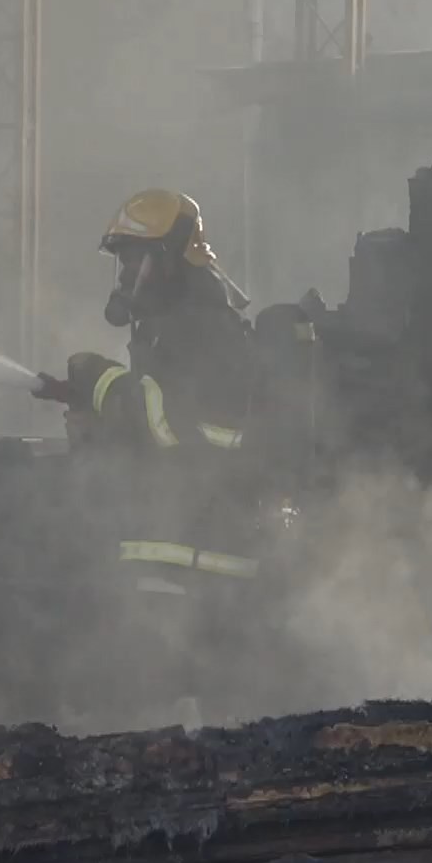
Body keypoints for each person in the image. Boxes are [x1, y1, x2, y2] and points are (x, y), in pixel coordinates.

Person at [34, 189, 264, 603]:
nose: (125, 276)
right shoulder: (167, 329)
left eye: (135, 260)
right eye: (122, 262)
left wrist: (101, 382)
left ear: (170, 259)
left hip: (202, 563)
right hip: (168, 558)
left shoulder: (204, 330)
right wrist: (94, 425)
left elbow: (171, 426)